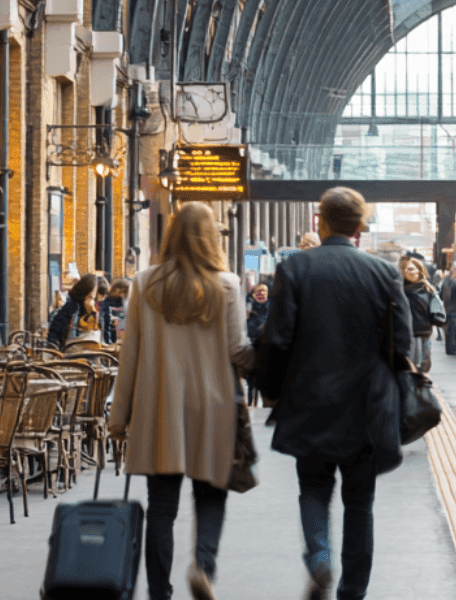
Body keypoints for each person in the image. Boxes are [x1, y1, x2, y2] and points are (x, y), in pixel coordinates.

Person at [255, 186, 411, 600]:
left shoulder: (295, 269)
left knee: (313, 489)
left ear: (318, 221)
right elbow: (403, 346)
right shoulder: (384, 273)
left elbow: (277, 339)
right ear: (361, 226)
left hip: (310, 403)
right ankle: (353, 592)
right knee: (360, 503)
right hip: (367, 408)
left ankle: (321, 558)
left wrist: (271, 392)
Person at [108, 202, 255, 600]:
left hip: (160, 409)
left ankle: (160, 591)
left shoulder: (144, 283)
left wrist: (118, 417)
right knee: (210, 497)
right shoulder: (226, 284)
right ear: (211, 238)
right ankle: (202, 568)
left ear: (170, 234)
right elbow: (238, 349)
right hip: (215, 409)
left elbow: (131, 355)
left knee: (161, 507)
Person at [401, 257, 439, 373]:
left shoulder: (428, 290)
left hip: (424, 332)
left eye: (412, 269)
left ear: (419, 271)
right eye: (407, 269)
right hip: (407, 333)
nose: (409, 272)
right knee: (409, 366)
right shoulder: (399, 289)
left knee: (424, 365)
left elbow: (436, 311)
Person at [47, 273, 99, 348]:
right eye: (90, 297)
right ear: (84, 294)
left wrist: (92, 314)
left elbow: (94, 331)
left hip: (81, 349)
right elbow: (70, 337)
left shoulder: (88, 308)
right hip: (69, 352)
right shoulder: (72, 306)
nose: (92, 301)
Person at [245, 283, 271, 407]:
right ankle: (258, 398)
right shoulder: (269, 302)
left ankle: (252, 399)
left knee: (251, 372)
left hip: (253, 338)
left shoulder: (250, 300)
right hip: (262, 339)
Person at [99, 278, 130, 344]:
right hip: (109, 331)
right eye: (120, 292)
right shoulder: (108, 300)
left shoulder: (124, 300)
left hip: (118, 331)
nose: (122, 295)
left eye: (124, 293)